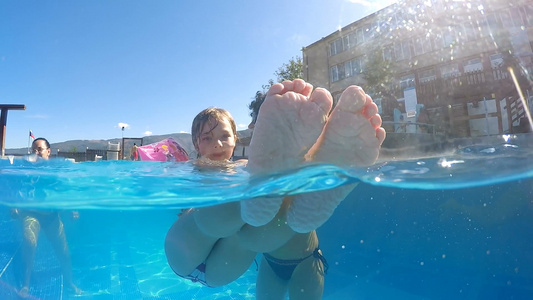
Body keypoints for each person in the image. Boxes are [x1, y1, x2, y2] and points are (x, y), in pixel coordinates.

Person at [236, 79, 385, 299]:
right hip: (305, 257)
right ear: (254, 129)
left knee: (256, 205)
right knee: (302, 173)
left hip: (274, 259)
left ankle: (319, 169)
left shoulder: (240, 169)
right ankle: (328, 170)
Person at [11, 138, 82, 297]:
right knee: (29, 242)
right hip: (31, 213)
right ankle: (26, 284)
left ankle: (70, 283)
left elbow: (66, 191)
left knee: (63, 251)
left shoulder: (56, 171)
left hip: (51, 216)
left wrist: (73, 208)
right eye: (33, 150)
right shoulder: (27, 170)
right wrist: (14, 205)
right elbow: (16, 188)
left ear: (48, 151)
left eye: (40, 149)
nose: (36, 152)